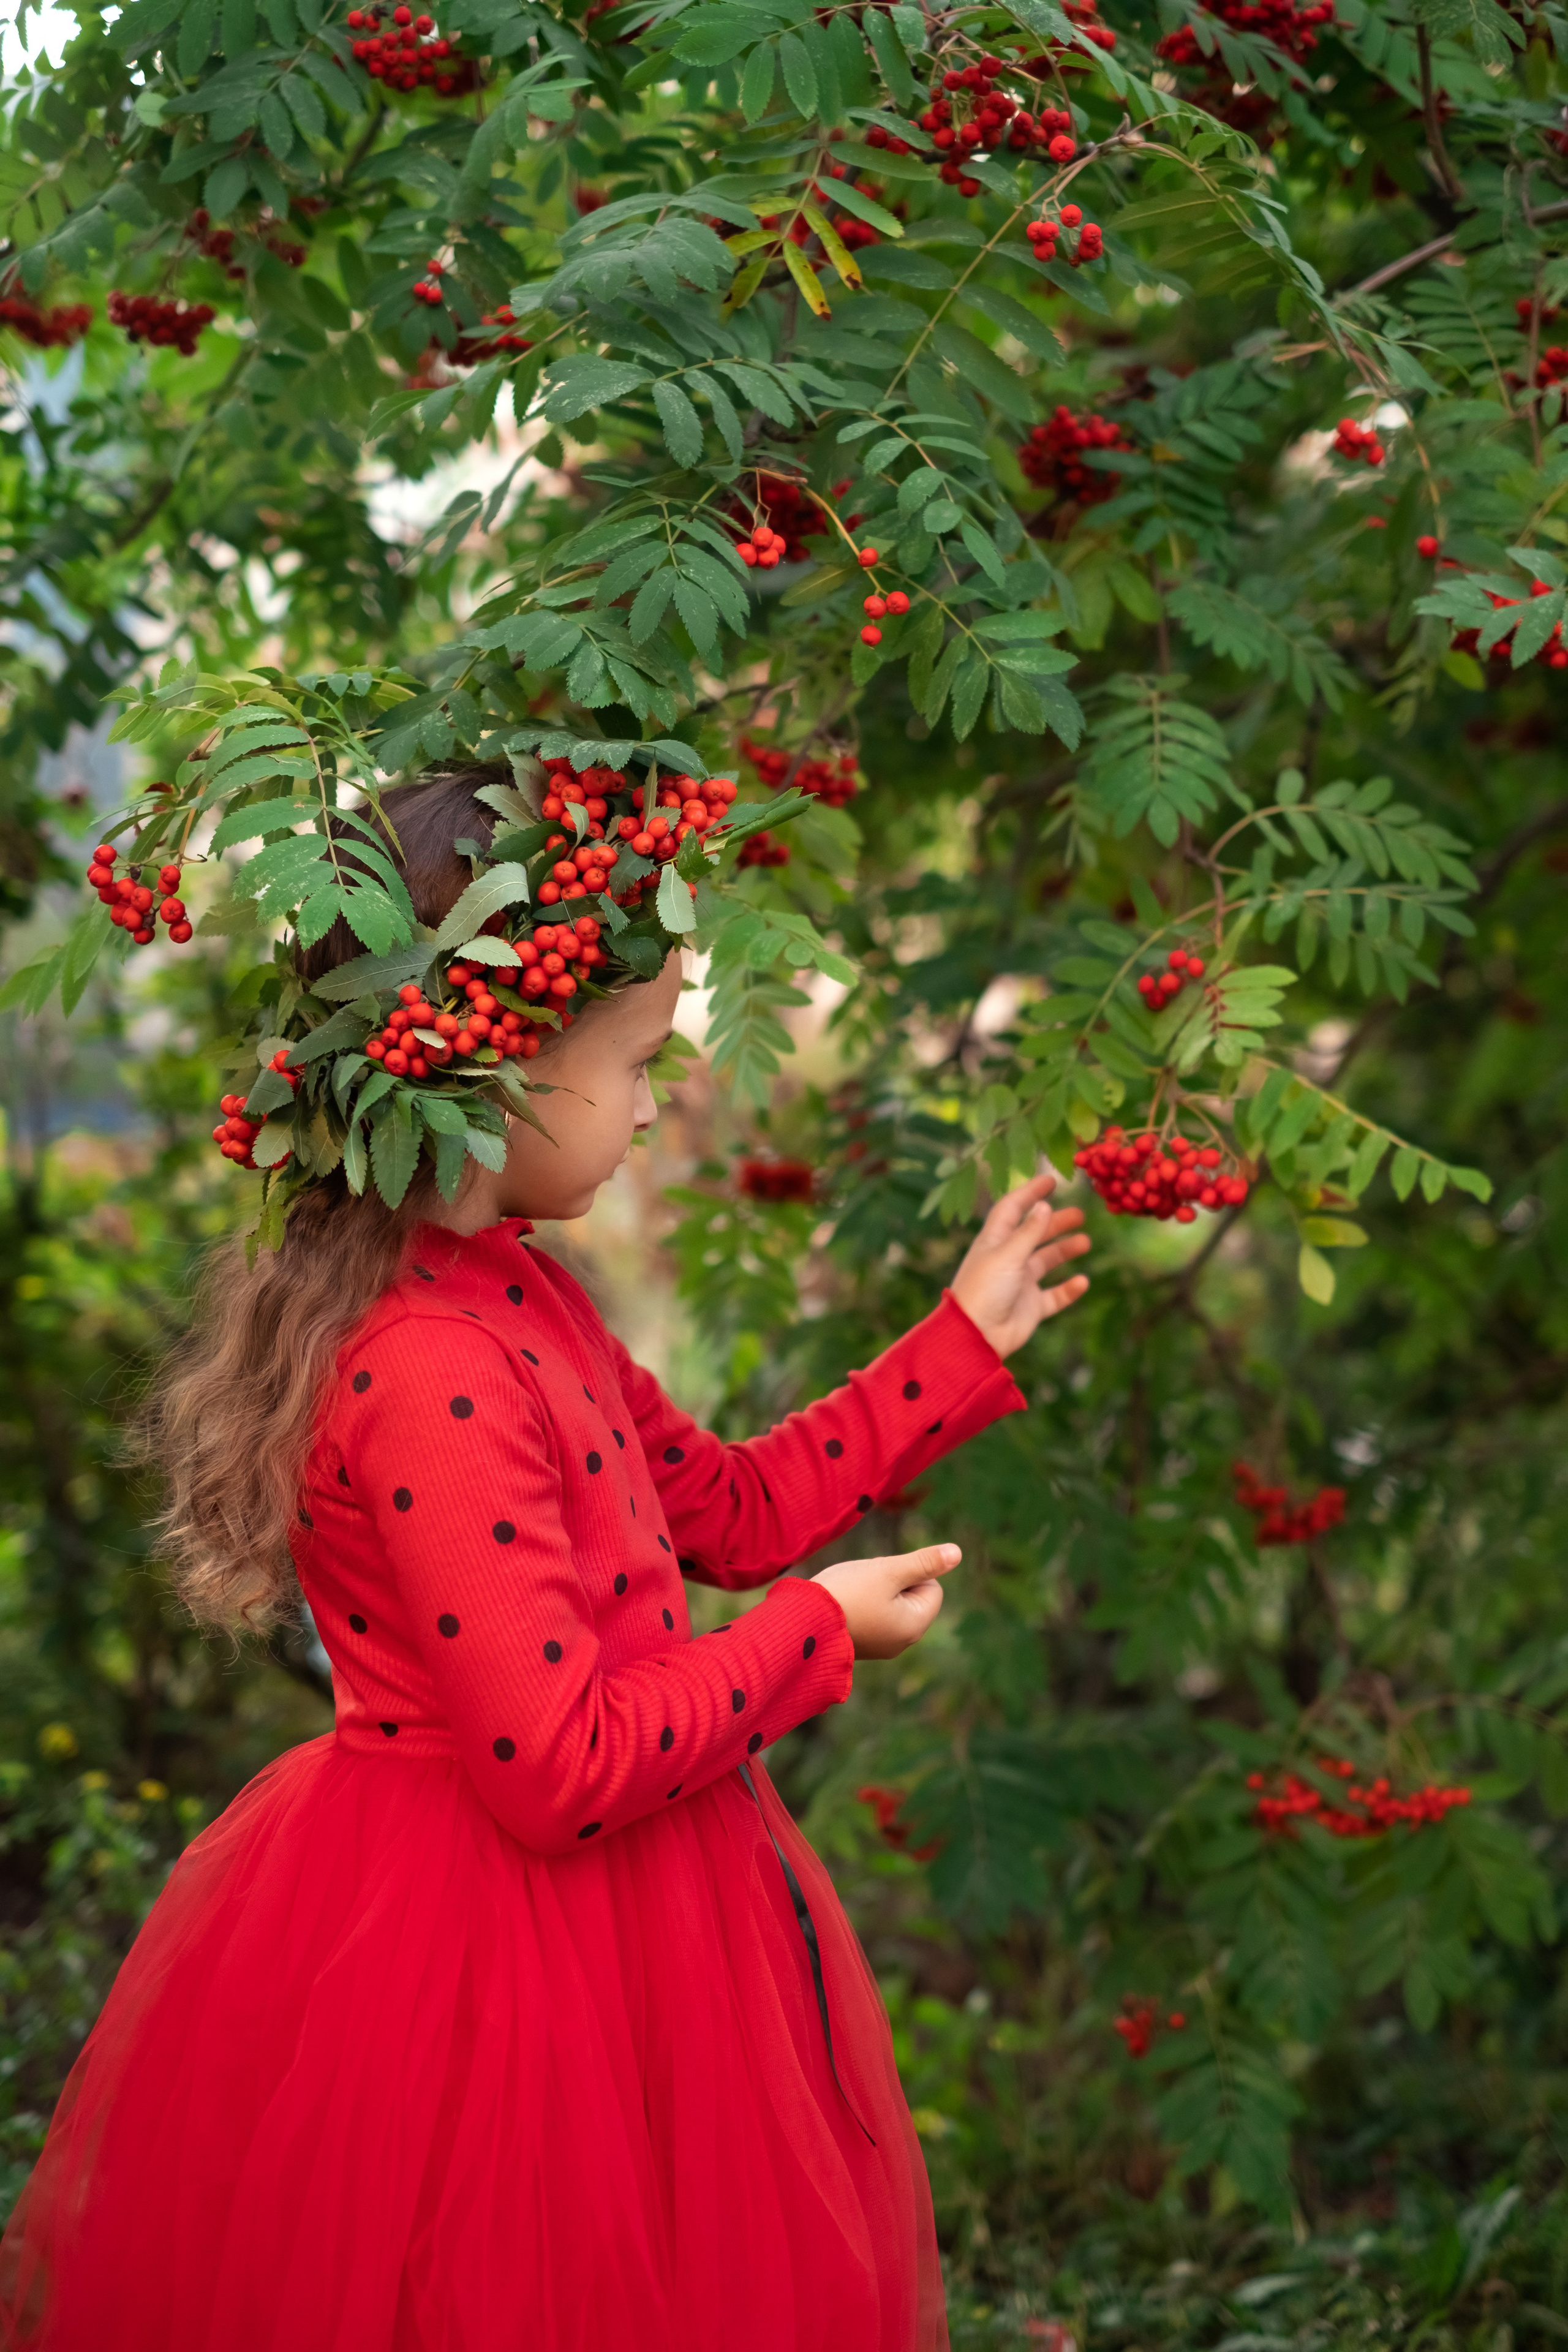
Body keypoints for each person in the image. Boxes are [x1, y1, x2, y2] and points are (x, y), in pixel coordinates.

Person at [0, 771, 1090, 2352]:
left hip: (636, 1919)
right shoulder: (426, 1369)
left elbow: (723, 1510)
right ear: (500, 1066)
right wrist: (815, 1635)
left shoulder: (516, 1290)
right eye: (639, 1063)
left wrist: (957, 1345)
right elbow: (556, 1760)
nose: (657, 1103)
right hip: (485, 1962)